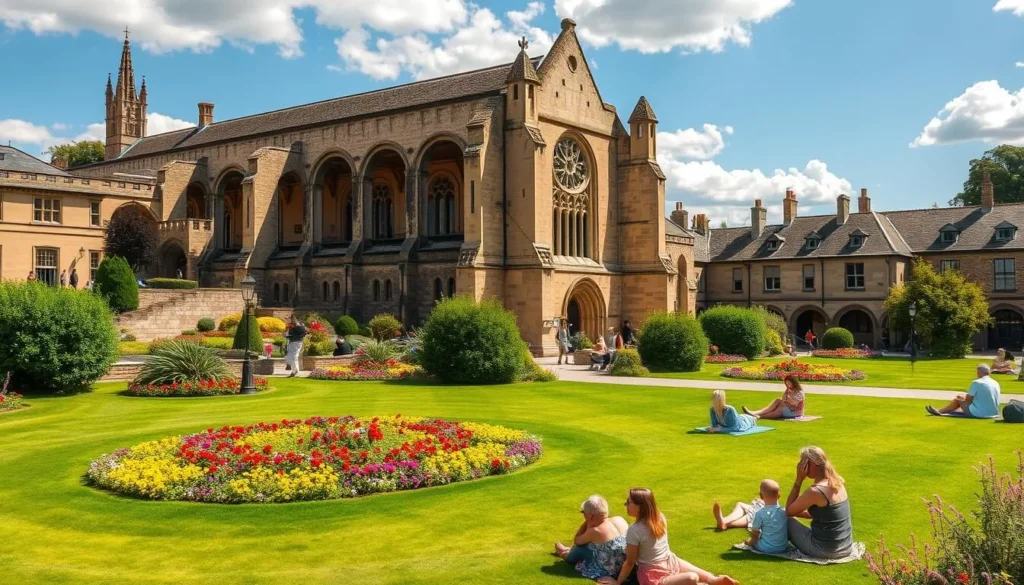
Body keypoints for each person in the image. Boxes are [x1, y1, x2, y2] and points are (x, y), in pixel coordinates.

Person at [609, 488, 737, 585]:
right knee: (694, 575)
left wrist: (617, 582)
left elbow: (630, 561)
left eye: (628, 502)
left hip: (652, 574)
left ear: (639, 507)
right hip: (670, 561)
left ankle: (705, 582)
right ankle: (714, 580)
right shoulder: (660, 517)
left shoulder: (635, 530)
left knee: (692, 578)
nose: (625, 505)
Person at [785, 446, 854, 560]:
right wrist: (798, 513)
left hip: (824, 550)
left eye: (803, 462)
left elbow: (788, 511)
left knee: (784, 519)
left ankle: (763, 541)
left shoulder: (815, 491)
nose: (800, 465)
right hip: (845, 547)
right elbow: (827, 515)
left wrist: (799, 480)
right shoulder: (838, 482)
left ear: (813, 464)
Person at [554, 495, 630, 581]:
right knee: (593, 546)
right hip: (623, 564)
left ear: (590, 515)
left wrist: (587, 522)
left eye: (583, 512)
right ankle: (567, 550)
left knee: (582, 547)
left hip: (608, 569)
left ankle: (565, 554)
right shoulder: (620, 519)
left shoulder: (595, 531)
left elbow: (577, 540)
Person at [711, 479, 788, 554]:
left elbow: (755, 535)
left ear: (761, 496)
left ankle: (725, 521)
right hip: (782, 547)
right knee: (747, 510)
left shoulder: (760, 513)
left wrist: (749, 542)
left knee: (747, 512)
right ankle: (725, 522)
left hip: (765, 548)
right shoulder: (784, 511)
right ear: (779, 495)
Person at [926, 364, 1001, 418]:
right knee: (962, 397)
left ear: (979, 372)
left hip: (980, 413)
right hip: (994, 412)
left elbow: (968, 400)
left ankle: (940, 411)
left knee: (958, 399)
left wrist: (962, 397)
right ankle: (945, 410)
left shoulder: (977, 382)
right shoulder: (995, 382)